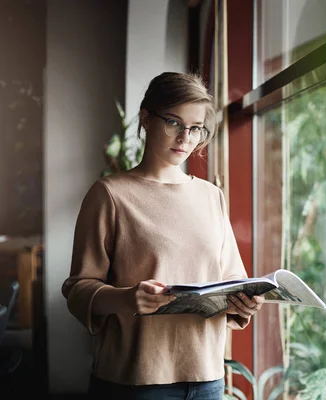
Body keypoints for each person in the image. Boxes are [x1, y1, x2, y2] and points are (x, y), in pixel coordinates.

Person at [61, 71, 264, 400]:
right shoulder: (110, 195)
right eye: (174, 122)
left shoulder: (212, 196)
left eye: (195, 128)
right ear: (146, 118)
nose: (185, 137)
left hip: (207, 378)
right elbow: (78, 290)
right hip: (135, 380)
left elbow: (231, 279)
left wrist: (245, 302)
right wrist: (129, 298)